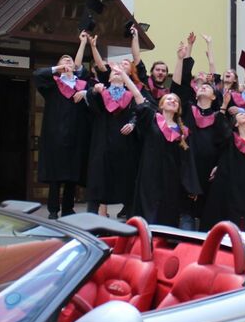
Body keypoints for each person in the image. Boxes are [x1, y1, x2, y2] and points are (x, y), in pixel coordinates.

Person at [113, 63, 201, 226]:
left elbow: (186, 162)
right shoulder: (152, 119)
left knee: (167, 216)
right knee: (148, 215)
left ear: (178, 108)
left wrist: (190, 186)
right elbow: (138, 95)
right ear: (161, 104)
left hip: (171, 180)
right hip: (150, 176)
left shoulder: (183, 132)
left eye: (175, 100)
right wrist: (124, 75)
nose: (172, 101)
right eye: (169, 98)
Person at [175, 34, 230, 230]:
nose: (203, 87)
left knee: (208, 216)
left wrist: (219, 165)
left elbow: (226, 145)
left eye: (208, 87)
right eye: (201, 87)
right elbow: (180, 84)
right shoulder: (188, 109)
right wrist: (184, 54)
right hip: (188, 168)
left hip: (209, 172)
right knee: (187, 215)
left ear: (214, 96)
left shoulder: (218, 118)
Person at [33, 35, 90, 219]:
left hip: (75, 135)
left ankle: (68, 208)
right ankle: (53, 210)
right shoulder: (52, 84)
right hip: (55, 136)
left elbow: (96, 91)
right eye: (63, 60)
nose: (67, 61)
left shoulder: (81, 84)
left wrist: (85, 92)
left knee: (72, 176)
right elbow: (37, 75)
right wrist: (57, 69)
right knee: (55, 176)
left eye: (70, 60)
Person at [84, 56, 138, 218]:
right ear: (108, 78)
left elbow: (138, 112)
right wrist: (94, 91)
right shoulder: (101, 92)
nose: (116, 73)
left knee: (126, 180)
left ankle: (130, 220)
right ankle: (91, 218)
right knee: (98, 180)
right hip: (102, 141)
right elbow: (92, 105)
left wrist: (133, 123)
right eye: (113, 72)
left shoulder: (131, 96)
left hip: (124, 144)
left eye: (120, 73)